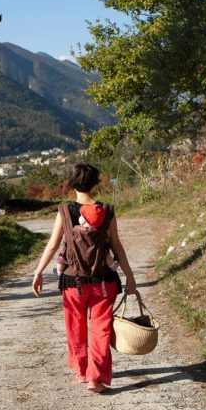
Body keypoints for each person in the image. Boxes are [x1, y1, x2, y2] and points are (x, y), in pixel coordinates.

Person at [32, 163, 136, 394]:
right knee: (101, 329)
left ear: (71, 183)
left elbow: (52, 246)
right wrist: (129, 276)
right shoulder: (106, 211)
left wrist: (38, 272)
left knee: (75, 327)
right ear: (96, 182)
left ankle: (81, 370)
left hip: (72, 281)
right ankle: (95, 378)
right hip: (104, 281)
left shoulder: (65, 212)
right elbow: (117, 246)